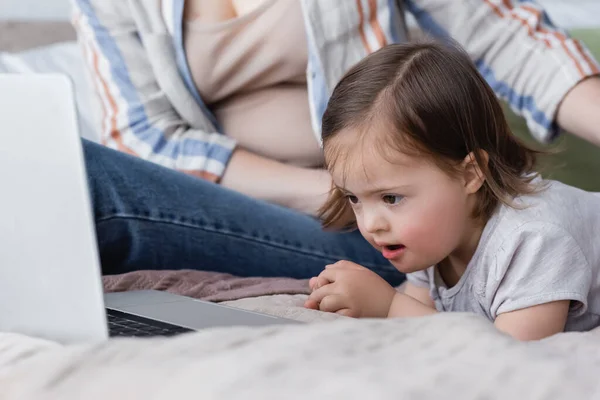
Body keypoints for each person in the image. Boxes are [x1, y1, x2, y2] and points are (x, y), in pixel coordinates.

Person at [72, 0, 600, 284]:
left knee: (87, 179)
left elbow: (508, 37)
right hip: (270, 208)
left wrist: (374, 197)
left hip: (390, 217)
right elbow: (144, 137)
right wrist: (344, 193)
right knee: (74, 169)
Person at [304, 40, 600, 341]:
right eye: (353, 197)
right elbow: (418, 325)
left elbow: (514, 356)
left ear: (470, 174)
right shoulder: (434, 234)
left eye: (390, 198)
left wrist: (390, 305)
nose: (369, 224)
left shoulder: (535, 239)